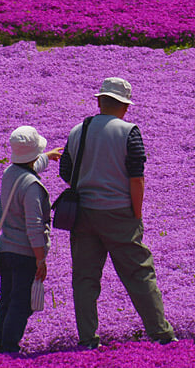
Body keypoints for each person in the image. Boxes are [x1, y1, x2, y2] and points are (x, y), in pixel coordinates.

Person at [60, 77, 176, 348]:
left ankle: (88, 339)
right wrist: (136, 213)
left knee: (85, 279)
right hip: (119, 213)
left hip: (84, 215)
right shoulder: (129, 132)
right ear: (125, 106)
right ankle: (162, 334)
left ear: (99, 101)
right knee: (139, 273)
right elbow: (137, 178)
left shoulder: (78, 130)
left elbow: (66, 171)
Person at [0, 125, 63, 354]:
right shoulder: (33, 186)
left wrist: (48, 155)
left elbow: (28, 166)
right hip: (25, 254)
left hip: (6, 250)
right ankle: (10, 347)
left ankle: (0, 345)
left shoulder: (9, 173)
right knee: (21, 303)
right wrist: (40, 259)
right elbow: (34, 226)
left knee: (6, 300)